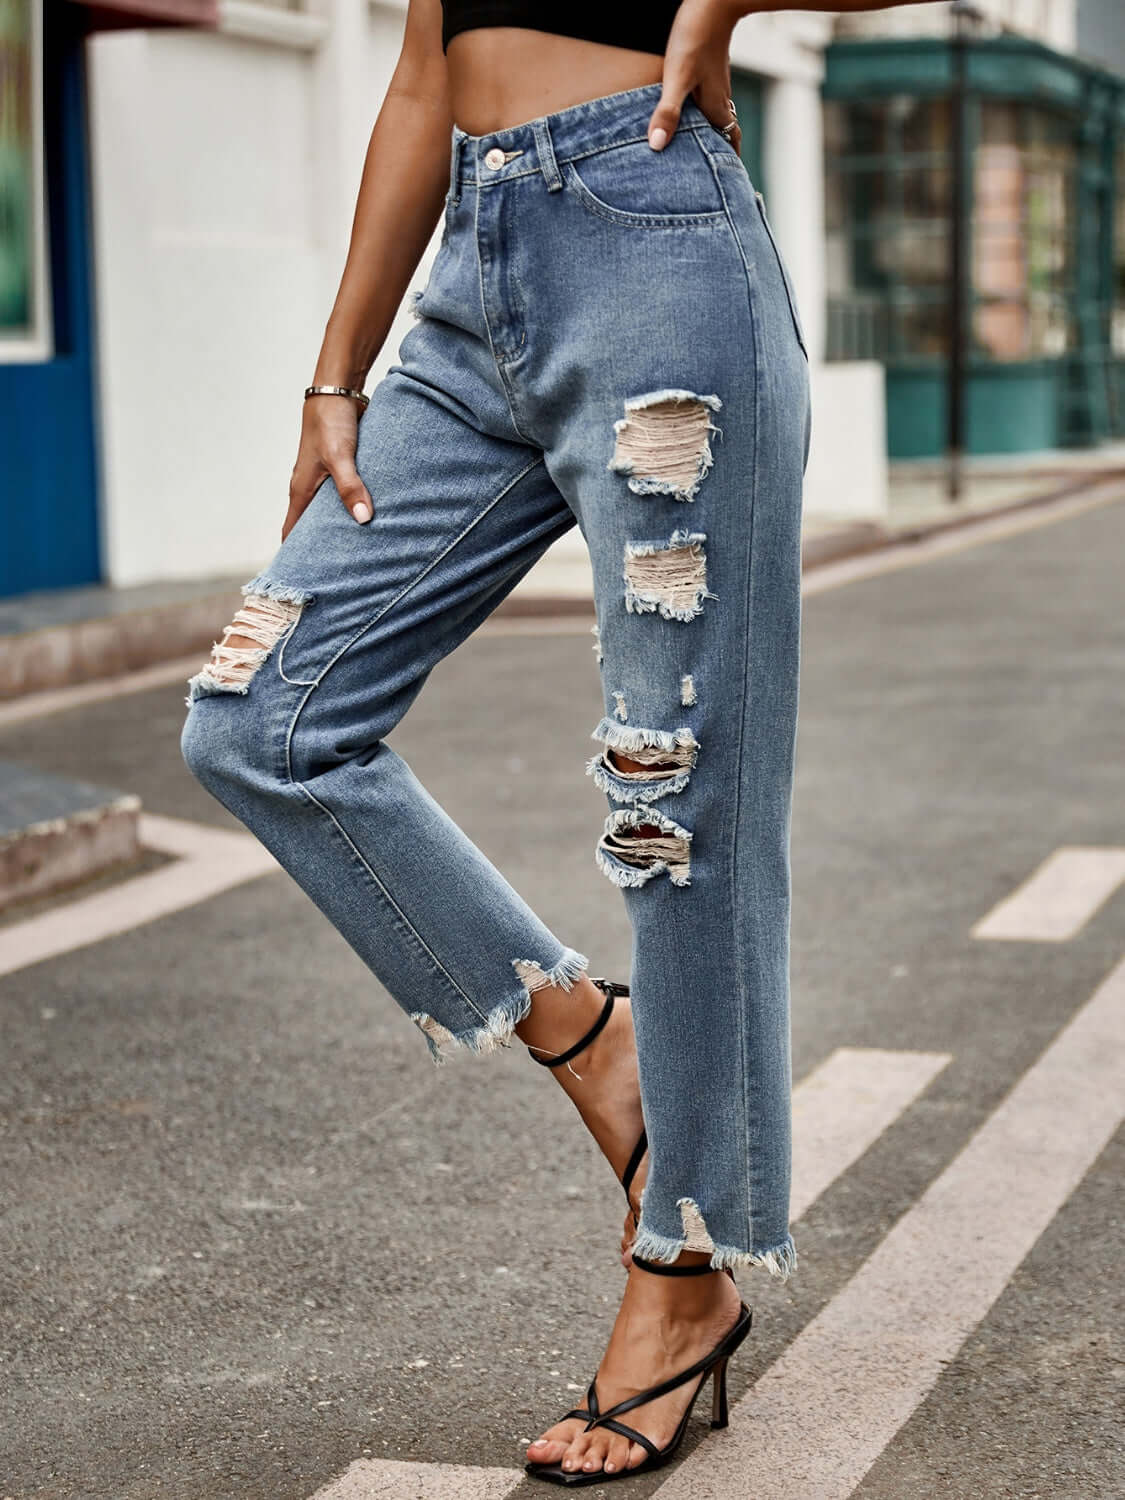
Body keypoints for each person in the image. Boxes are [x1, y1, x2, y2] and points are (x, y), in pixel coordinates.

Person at [181, 0, 922, 1482]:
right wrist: (333, 378)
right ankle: (591, 1033)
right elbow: (414, 73)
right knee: (261, 719)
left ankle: (680, 1273)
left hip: (657, 255)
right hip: (471, 272)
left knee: (676, 795)